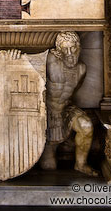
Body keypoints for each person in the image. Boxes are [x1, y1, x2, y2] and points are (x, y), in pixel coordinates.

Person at [40, 31, 98, 176]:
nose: (70, 53)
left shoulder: (81, 69)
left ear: (79, 47)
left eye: (73, 48)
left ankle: (81, 164)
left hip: (65, 109)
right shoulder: (50, 61)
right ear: (59, 50)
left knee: (86, 125)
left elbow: (75, 90)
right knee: (49, 166)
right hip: (46, 113)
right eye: (65, 49)